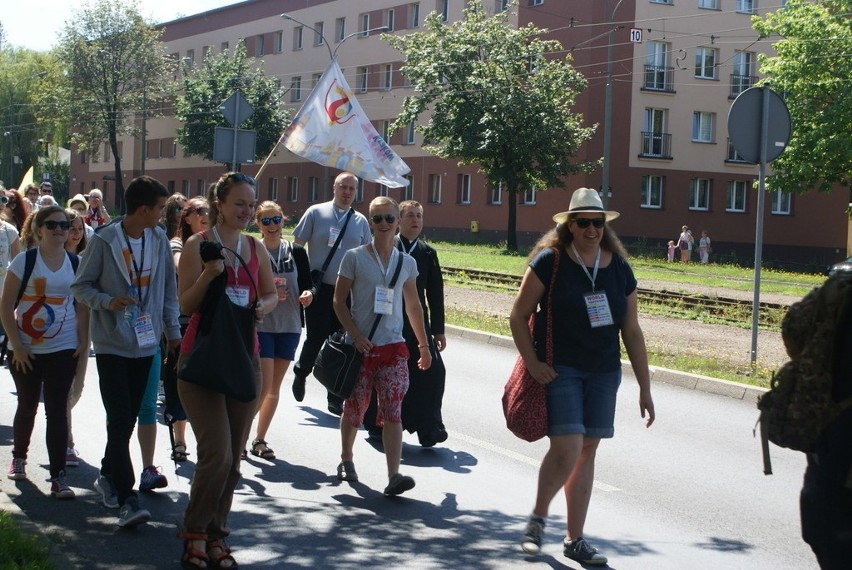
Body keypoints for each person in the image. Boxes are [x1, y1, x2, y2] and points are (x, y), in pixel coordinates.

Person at [510, 187, 655, 565]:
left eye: (598, 222)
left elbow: (633, 330)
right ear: (570, 226)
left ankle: (575, 539)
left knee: (587, 449)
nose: (592, 229)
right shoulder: (549, 261)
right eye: (584, 222)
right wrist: (532, 362)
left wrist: (645, 386)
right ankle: (537, 523)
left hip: (604, 371)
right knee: (567, 446)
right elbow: (517, 316)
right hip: (563, 369)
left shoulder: (620, 268)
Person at [177, 172, 276, 569]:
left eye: (251, 205)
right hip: (200, 361)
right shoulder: (196, 246)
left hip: (242, 360)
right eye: (240, 203)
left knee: (234, 459)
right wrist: (209, 274)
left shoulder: (255, 248)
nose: (247, 211)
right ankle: (194, 533)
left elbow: (269, 294)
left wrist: (263, 307)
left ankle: (217, 533)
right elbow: (185, 306)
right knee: (215, 454)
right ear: (219, 204)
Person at [71, 175, 181, 528]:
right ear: (143, 209)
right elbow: (80, 286)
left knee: (127, 419)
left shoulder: (159, 238)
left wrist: (173, 333)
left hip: (147, 343)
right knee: (120, 419)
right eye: (160, 209)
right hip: (112, 346)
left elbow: (167, 290)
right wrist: (107, 301)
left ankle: (107, 475)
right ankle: (127, 497)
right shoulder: (105, 240)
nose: (163, 215)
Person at [333, 196, 432, 496]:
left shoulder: (407, 262)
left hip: (394, 349)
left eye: (390, 218)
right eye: (378, 219)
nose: (385, 224)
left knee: (393, 411)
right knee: (355, 408)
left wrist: (424, 346)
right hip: (361, 349)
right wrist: (355, 334)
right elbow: (338, 301)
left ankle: (394, 475)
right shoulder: (354, 257)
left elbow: (413, 305)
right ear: (371, 223)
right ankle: (346, 458)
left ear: (397, 222)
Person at [1, 206, 89, 499]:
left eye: (64, 225)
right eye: (51, 225)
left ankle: (58, 476)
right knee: (27, 405)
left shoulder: (75, 263)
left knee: (57, 410)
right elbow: (5, 307)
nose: (59, 230)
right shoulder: (23, 262)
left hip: (62, 348)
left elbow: (81, 308)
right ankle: (20, 458)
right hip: (24, 349)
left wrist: (81, 342)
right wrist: (18, 346)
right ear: (38, 229)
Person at [364, 200, 448, 447]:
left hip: (416, 324)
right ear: (398, 221)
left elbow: (435, 293)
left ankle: (428, 426)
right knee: (384, 375)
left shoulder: (427, 253)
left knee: (432, 373)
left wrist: (438, 330)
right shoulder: (388, 247)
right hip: (387, 323)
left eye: (420, 216)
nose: (416, 220)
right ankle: (377, 424)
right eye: (410, 215)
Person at [291, 171, 372, 415]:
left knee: (339, 342)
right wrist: (303, 282)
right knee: (316, 337)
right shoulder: (316, 212)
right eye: (343, 187)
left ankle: (334, 395)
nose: (347, 192)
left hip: (347, 292)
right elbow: (297, 247)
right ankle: (301, 372)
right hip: (319, 288)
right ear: (334, 188)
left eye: (352, 189)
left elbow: (367, 254)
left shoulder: (360, 222)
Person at [249, 201, 312, 460]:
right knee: (262, 386)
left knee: (274, 388)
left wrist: (309, 294)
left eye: (276, 220)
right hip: (262, 324)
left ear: (283, 221)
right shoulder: (253, 250)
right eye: (266, 221)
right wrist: (269, 294)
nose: (272, 226)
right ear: (258, 224)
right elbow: (245, 287)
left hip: (289, 326)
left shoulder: (296, 252)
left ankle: (259, 439)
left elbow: (310, 284)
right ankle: (239, 435)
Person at [162, 196, 206, 463]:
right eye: (200, 211)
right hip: (181, 325)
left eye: (210, 211)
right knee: (180, 384)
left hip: (210, 324)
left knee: (205, 386)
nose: (206, 215)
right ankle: (179, 441)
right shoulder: (177, 244)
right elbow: (180, 265)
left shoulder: (217, 243)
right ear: (187, 217)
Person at [62, 209, 88, 467]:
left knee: (77, 389)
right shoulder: (58, 259)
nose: (76, 233)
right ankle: (66, 442)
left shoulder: (86, 258)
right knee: (66, 389)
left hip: (83, 329)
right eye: (71, 228)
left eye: (80, 228)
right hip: (61, 331)